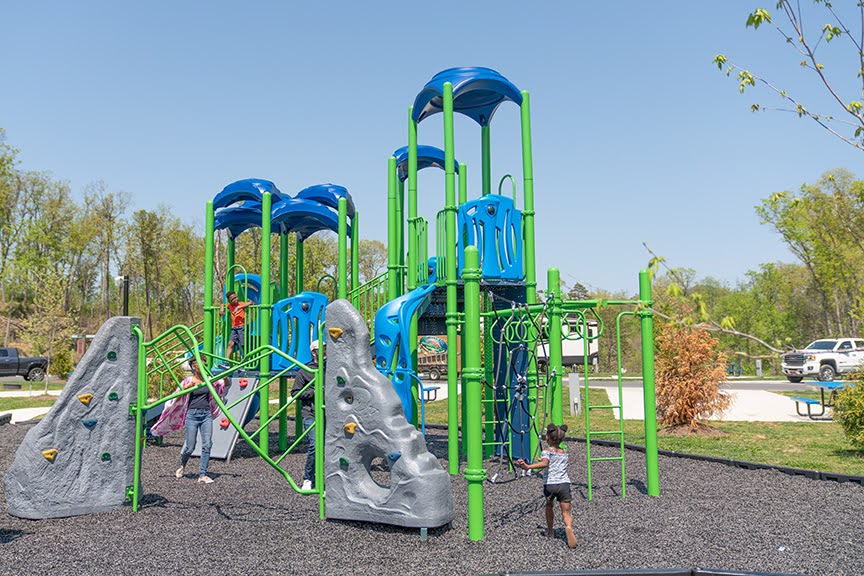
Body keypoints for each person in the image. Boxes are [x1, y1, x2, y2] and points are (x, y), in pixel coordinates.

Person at [150, 357, 226, 484]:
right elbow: (176, 397)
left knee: (207, 444)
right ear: (194, 367)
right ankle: (182, 465)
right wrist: (187, 388)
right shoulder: (188, 381)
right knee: (190, 447)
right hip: (192, 415)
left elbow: (224, 384)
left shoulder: (209, 380)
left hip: (206, 414)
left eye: (205, 364)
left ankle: (202, 474)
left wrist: (226, 374)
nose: (204, 366)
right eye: (201, 364)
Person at [516, 424, 577, 548]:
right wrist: (543, 460)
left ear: (548, 438)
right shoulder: (564, 452)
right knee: (566, 511)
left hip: (550, 485)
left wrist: (528, 466)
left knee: (549, 506)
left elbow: (545, 464)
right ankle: (569, 527)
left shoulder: (546, 452)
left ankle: (550, 531)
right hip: (564, 484)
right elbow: (554, 463)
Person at [292, 340, 324, 491]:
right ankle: (308, 478)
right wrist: (313, 392)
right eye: (321, 349)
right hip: (311, 413)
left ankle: (324, 479)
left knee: (329, 447)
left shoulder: (329, 367)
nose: (324, 351)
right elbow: (295, 393)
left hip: (328, 413)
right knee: (315, 444)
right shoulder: (305, 370)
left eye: (325, 348)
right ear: (313, 352)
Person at [220, 290, 251, 364]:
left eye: (235, 297)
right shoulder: (230, 306)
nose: (235, 300)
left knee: (243, 345)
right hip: (234, 328)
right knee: (230, 344)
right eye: (232, 299)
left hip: (241, 327)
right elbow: (223, 305)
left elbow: (250, 303)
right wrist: (221, 308)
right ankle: (226, 362)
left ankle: (246, 361)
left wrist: (239, 307)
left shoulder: (241, 304)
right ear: (229, 301)